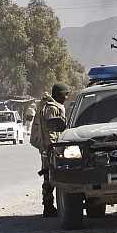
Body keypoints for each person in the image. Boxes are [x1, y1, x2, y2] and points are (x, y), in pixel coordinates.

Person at [39, 83, 69, 217]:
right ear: (58, 94)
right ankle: (48, 206)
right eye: (65, 94)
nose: (67, 97)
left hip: (55, 147)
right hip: (50, 149)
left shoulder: (56, 106)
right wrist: (52, 149)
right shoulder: (51, 108)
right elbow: (51, 130)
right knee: (49, 177)